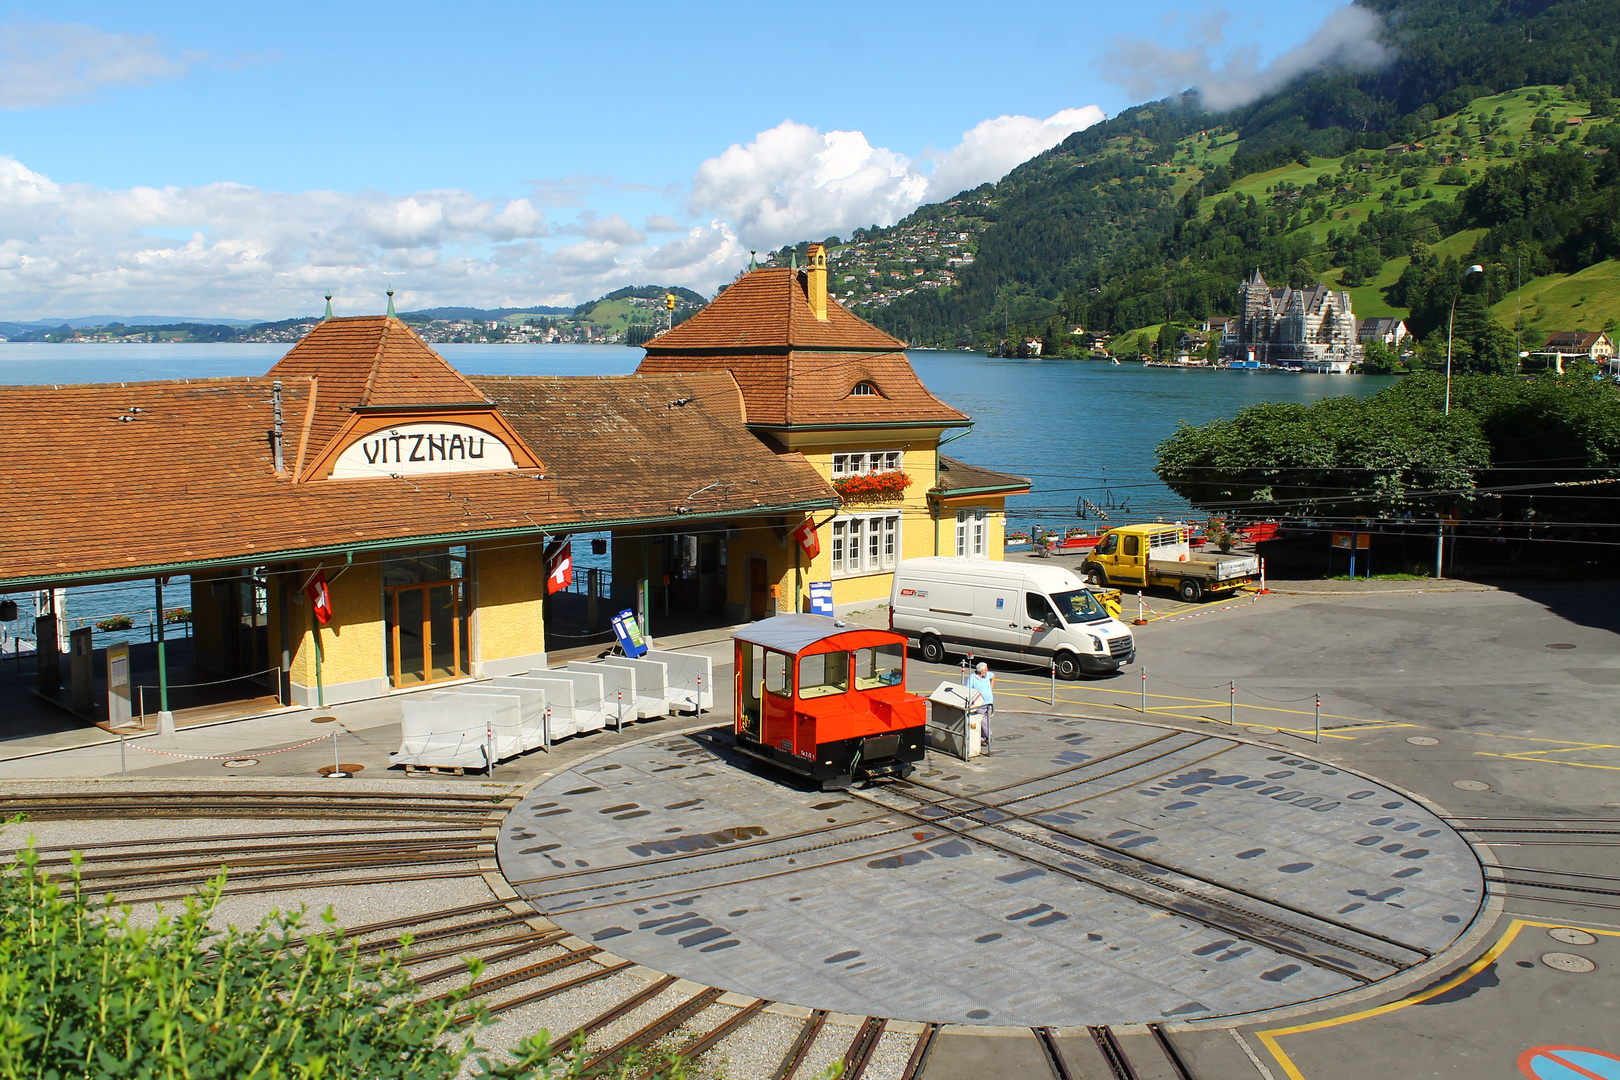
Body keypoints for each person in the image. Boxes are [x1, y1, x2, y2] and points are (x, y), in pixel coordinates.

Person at [966, 661, 995, 753]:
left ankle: (982, 739)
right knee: (982, 722)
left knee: (986, 721)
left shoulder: (987, 675)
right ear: (981, 671)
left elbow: (993, 676)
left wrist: (991, 686)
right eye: (986, 670)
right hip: (980, 705)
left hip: (989, 703)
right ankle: (989, 734)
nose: (987, 671)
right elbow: (968, 691)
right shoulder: (972, 679)